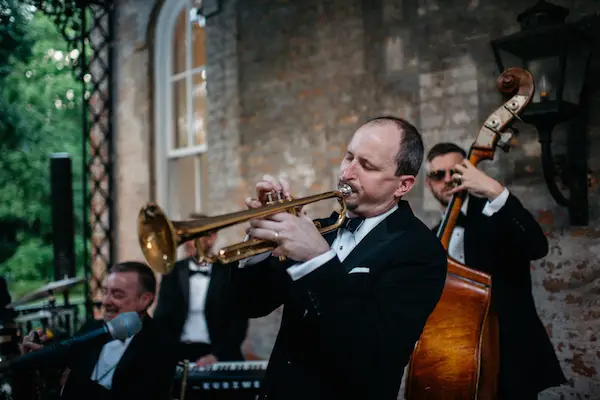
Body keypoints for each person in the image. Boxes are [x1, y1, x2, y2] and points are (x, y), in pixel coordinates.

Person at [231, 116, 448, 400]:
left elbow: (370, 355)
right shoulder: (321, 229)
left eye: (367, 165)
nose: (347, 172)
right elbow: (250, 304)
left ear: (402, 185)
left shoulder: (420, 250)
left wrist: (317, 259)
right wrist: (259, 245)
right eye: (349, 157)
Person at [424, 142, 567, 399]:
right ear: (428, 183)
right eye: (438, 174)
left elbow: (537, 246)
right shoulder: (434, 237)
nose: (446, 180)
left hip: (509, 358)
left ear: (468, 173)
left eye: (454, 172)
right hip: (457, 363)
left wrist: (495, 190)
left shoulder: (496, 211)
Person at [20, 261, 178, 400]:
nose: (106, 301)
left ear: (144, 300)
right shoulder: (92, 328)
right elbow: (56, 372)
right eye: (105, 292)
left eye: (117, 294)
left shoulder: (160, 344)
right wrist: (38, 353)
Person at [153, 218, 248, 365]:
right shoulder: (173, 271)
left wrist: (217, 356)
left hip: (218, 354)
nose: (187, 241)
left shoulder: (229, 271)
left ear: (211, 238)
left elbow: (238, 322)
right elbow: (161, 318)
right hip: (179, 352)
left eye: (192, 235)